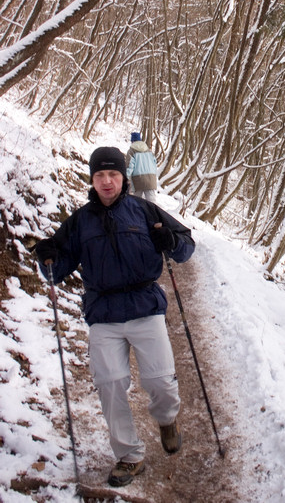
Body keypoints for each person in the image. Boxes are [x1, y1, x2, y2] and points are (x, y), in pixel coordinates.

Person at [35, 146, 195, 488]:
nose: (107, 181)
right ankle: (129, 456)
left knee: (161, 381)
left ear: (124, 178)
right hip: (103, 313)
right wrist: (46, 257)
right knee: (110, 385)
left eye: (113, 174)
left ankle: (167, 420)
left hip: (145, 307)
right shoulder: (79, 222)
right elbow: (55, 270)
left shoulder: (143, 210)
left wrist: (169, 239)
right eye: (100, 175)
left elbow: (185, 246)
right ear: (92, 179)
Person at [126, 132, 159, 203]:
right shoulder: (149, 151)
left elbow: (129, 167)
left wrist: (126, 178)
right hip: (151, 178)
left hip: (138, 179)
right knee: (152, 203)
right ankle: (152, 214)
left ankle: (137, 214)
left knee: (136, 203)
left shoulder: (131, 151)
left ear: (132, 141)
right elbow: (154, 164)